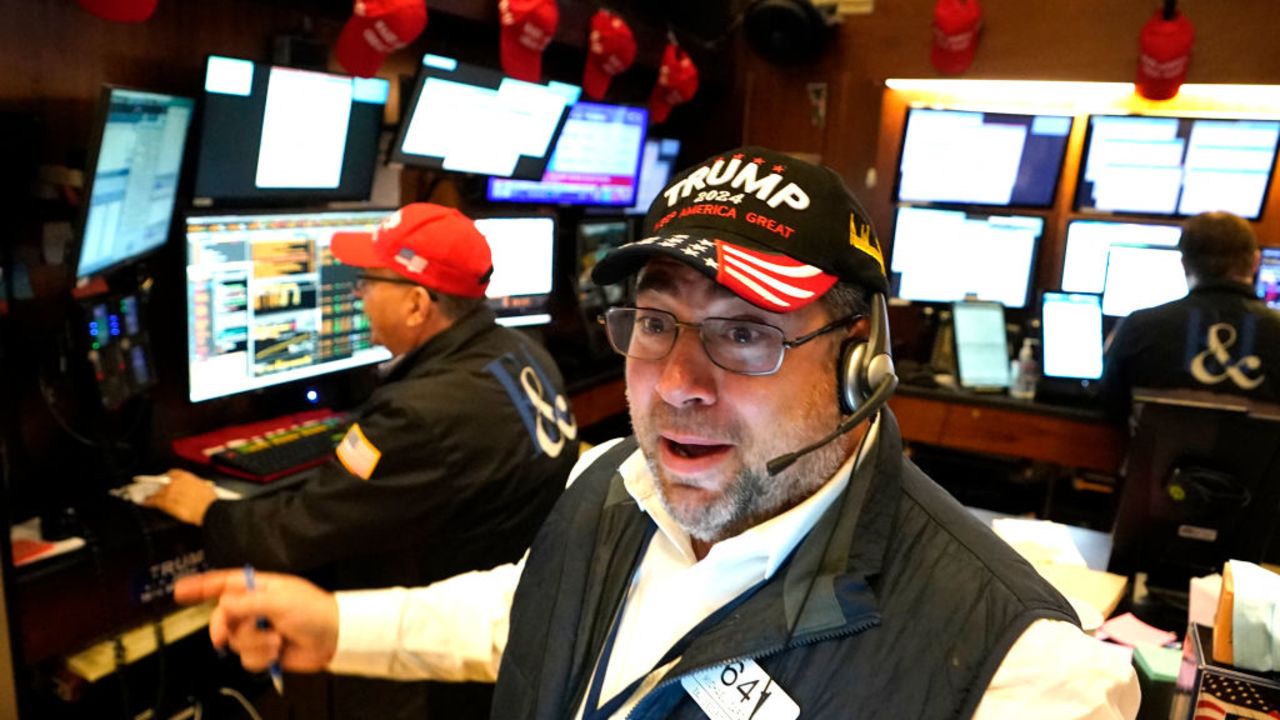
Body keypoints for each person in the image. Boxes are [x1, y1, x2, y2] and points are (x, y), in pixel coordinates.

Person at [175, 148, 1139, 719]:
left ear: (861, 362)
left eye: (747, 331)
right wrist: (341, 623)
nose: (678, 383)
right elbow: (534, 613)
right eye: (655, 321)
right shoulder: (611, 484)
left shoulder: (1025, 674)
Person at [148, 203, 579, 720]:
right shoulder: (522, 349)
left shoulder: (419, 417)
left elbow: (297, 533)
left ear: (418, 304)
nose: (358, 296)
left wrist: (208, 511)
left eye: (368, 283)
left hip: (438, 674)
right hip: (514, 632)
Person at [1097, 211, 1280, 419]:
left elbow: (1108, 406)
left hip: (1155, 452)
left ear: (1183, 263)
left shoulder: (1139, 326)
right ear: (1256, 261)